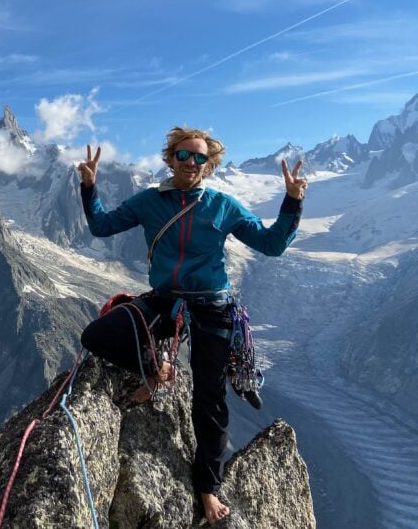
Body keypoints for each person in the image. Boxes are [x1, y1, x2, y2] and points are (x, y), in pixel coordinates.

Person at [77, 126, 307, 525]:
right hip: (166, 301)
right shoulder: (151, 201)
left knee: (209, 400)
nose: (190, 163)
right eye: (183, 155)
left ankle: (208, 488)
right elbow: (101, 226)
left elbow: (272, 245)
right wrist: (89, 188)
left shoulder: (221, 205)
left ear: (209, 165)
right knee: (96, 334)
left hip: (211, 306)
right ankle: (157, 368)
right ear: (170, 159)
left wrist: (292, 202)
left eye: (199, 157)